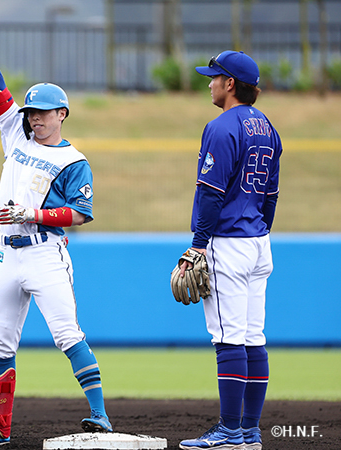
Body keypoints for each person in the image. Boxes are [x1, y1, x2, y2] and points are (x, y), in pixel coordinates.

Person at [0, 3, 112, 446]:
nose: (35, 117)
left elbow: (80, 213)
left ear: (62, 113)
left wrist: (33, 215)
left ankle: (99, 415)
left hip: (46, 253)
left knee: (67, 335)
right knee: (0, 343)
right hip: (6, 253)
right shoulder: (16, 134)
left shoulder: (73, 160)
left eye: (44, 112)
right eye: (31, 111)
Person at [177, 51, 282, 450]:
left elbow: (210, 193)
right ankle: (250, 431)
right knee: (253, 337)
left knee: (228, 339)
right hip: (258, 242)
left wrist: (197, 246)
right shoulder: (268, 129)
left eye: (214, 77)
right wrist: (259, 233)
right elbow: (271, 195)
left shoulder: (221, 127)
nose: (210, 83)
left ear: (230, 84)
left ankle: (229, 431)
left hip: (227, 242)